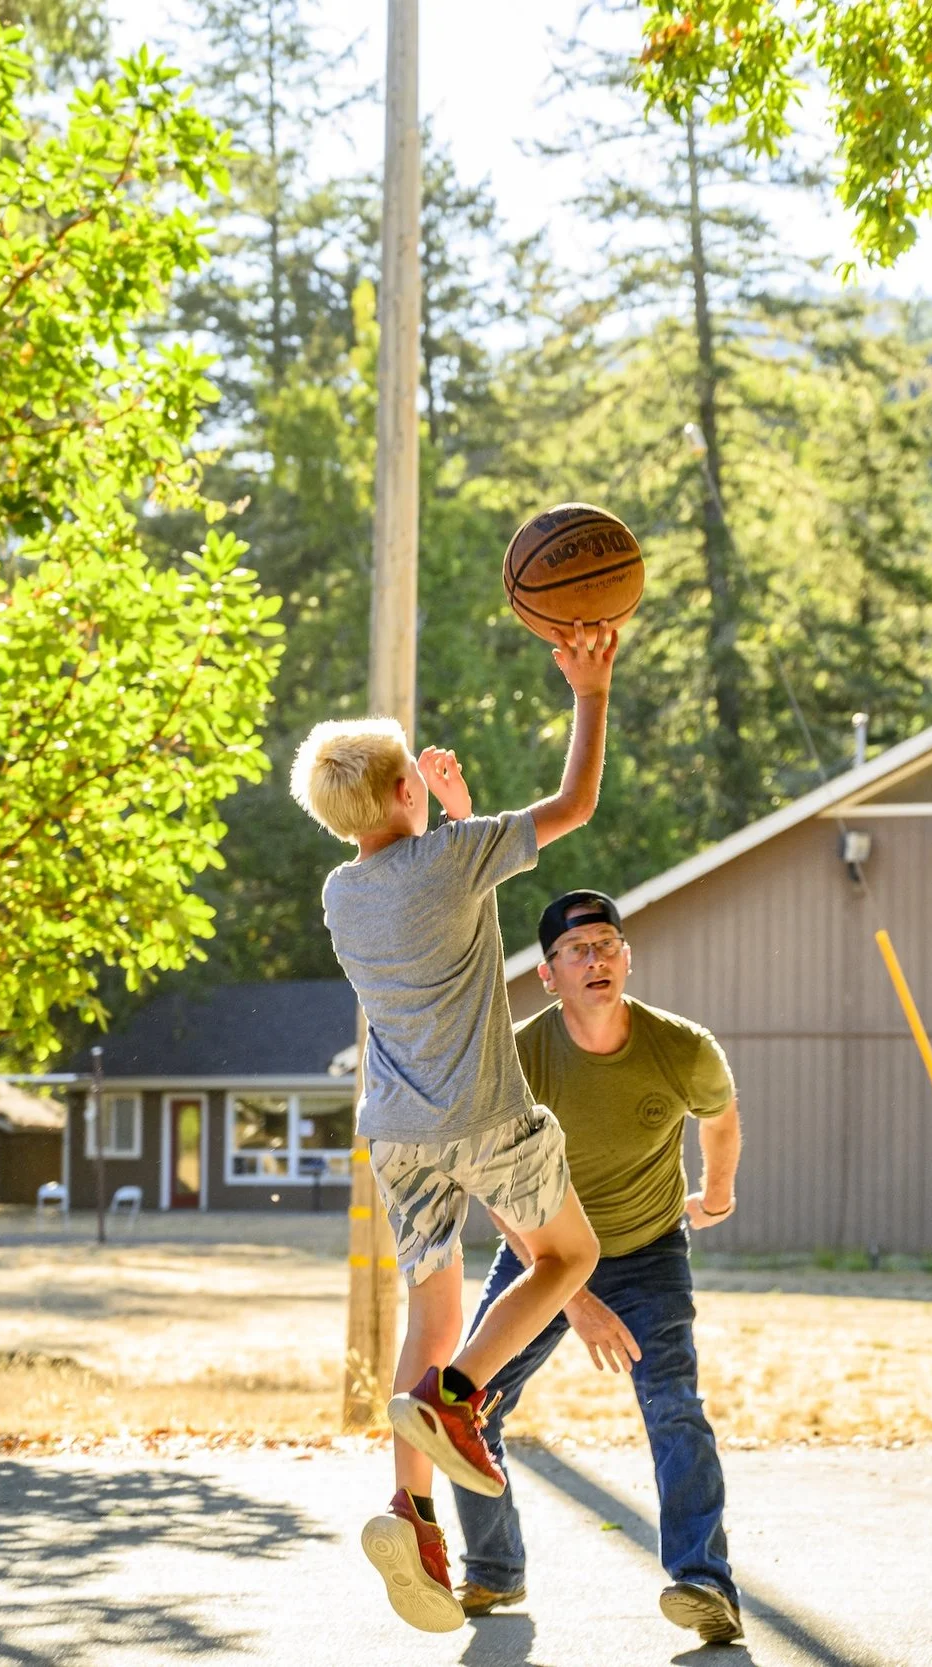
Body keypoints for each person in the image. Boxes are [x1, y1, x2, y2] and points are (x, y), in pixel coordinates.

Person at [292, 624, 616, 1634]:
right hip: (482, 1115)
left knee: (424, 1316)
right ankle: (467, 1393)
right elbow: (572, 807)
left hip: (396, 1129)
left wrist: (451, 816)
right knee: (567, 1254)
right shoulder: (453, 854)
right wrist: (589, 690)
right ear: (402, 795)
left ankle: (414, 1511)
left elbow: (445, 887)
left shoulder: (343, 895)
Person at [453, 889, 746, 1646]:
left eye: (608, 944)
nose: (596, 960)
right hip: (546, 1253)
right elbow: (499, 1193)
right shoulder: (522, 1057)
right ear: (548, 974)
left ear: (627, 958)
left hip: (649, 1248)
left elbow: (720, 1114)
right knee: (464, 1402)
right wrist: (575, 1299)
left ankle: (704, 1584)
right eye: (577, 950)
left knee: (673, 1405)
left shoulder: (680, 1045)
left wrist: (718, 1190)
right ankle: (493, 1564)